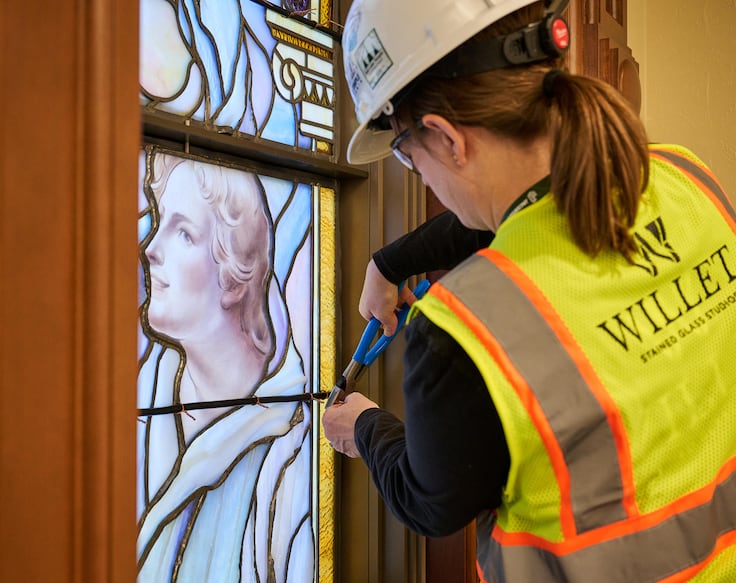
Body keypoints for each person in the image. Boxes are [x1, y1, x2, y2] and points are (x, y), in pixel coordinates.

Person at [322, 0, 736, 581]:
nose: (425, 180)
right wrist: (391, 262)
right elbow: (530, 215)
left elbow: (430, 501)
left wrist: (363, 426)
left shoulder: (462, 331)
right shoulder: (687, 178)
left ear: (446, 138)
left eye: (414, 165)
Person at [137, 151, 314, 582]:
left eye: (183, 233)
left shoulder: (290, 448)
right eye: (160, 223)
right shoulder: (145, 394)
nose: (151, 249)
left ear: (237, 275)